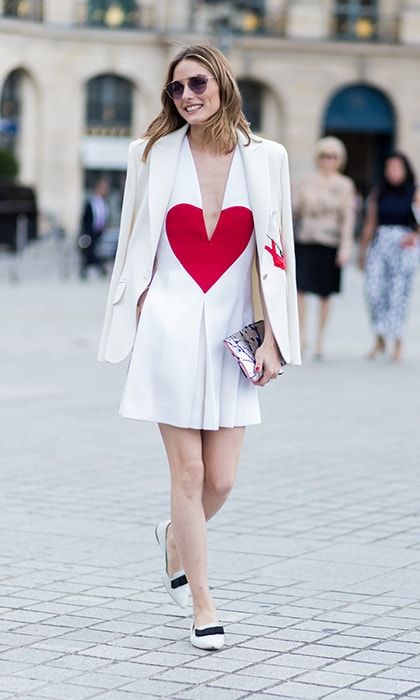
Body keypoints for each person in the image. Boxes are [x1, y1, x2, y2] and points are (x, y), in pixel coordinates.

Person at [98, 43, 300, 650]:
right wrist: (135, 302)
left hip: (232, 333)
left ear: (221, 84)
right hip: (168, 326)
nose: (187, 95)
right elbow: (133, 234)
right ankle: (202, 602)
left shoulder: (267, 159)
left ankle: (173, 536)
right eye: (177, 88)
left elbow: (277, 256)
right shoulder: (151, 154)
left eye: (197, 83)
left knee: (223, 479)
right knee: (186, 471)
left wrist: (274, 336)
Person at [293, 137, 356, 358]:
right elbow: (295, 210)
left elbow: (348, 219)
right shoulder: (305, 181)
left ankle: (320, 339)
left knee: (325, 293)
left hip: (330, 243)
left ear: (339, 160)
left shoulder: (345, 185)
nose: (328, 160)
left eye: (333, 156)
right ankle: (301, 336)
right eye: (324, 155)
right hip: (305, 239)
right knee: (299, 290)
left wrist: (346, 247)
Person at [359, 152, 420, 361]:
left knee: (397, 295)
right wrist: (362, 252)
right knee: (373, 291)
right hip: (380, 243)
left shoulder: (414, 192)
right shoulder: (379, 192)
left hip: (404, 247)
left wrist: (415, 234)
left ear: (405, 170)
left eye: (396, 168)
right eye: (389, 168)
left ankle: (397, 341)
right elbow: (370, 222)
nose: (392, 172)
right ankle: (380, 336)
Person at [79, 176, 110, 278]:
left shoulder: (105, 202)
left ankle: (97, 268)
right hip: (90, 232)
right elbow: (85, 218)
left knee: (96, 252)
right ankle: (99, 268)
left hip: (100, 232)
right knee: (90, 251)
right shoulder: (91, 202)